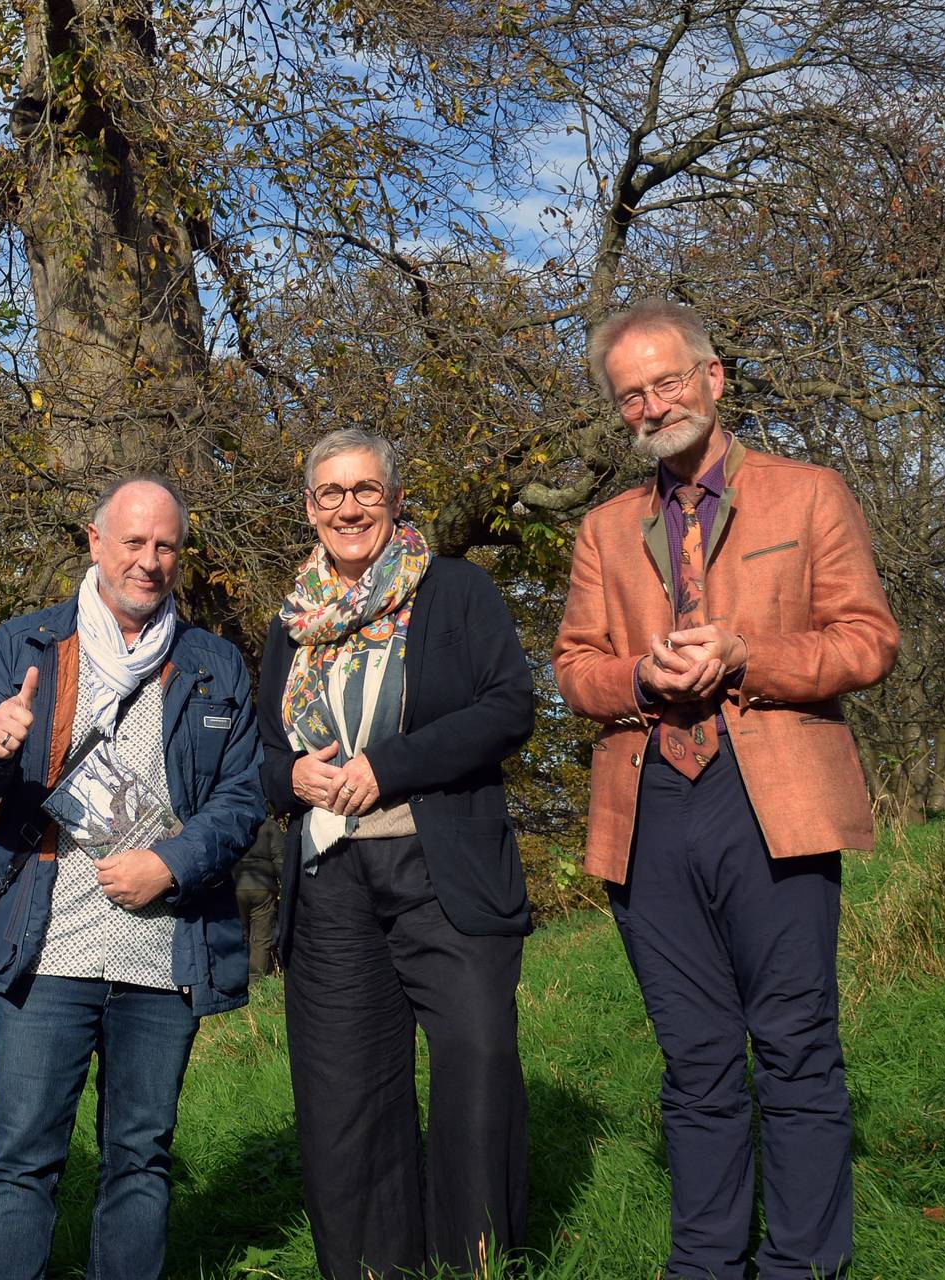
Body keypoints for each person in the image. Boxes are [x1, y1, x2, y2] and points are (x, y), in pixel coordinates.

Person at [554, 298, 900, 1279]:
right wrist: (635, 678)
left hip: (775, 796)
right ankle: (705, 1263)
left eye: (667, 381)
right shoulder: (604, 529)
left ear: (713, 378)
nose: (652, 404)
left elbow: (868, 639)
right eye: (631, 394)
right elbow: (575, 666)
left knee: (793, 1043)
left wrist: (750, 654)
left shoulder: (809, 494)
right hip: (650, 804)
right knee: (696, 1059)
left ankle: (801, 1263)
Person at [0, 476, 265, 1280]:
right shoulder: (28, 646)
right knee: (21, 1164)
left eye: (164, 546)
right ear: (94, 542)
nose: (149, 562)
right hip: (45, 950)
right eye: (133, 542)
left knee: (140, 1162)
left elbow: (243, 795)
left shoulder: (215, 664)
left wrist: (170, 865)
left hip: (163, 956)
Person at [255, 428, 536, 1277]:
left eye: (366, 491)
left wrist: (388, 766)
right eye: (331, 494)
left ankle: (478, 1262)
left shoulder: (455, 592)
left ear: (396, 500)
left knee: (477, 1067)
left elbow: (507, 708)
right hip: (330, 879)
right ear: (310, 508)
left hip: (441, 867)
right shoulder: (290, 624)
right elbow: (261, 756)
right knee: (346, 1095)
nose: (349, 508)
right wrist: (291, 775)